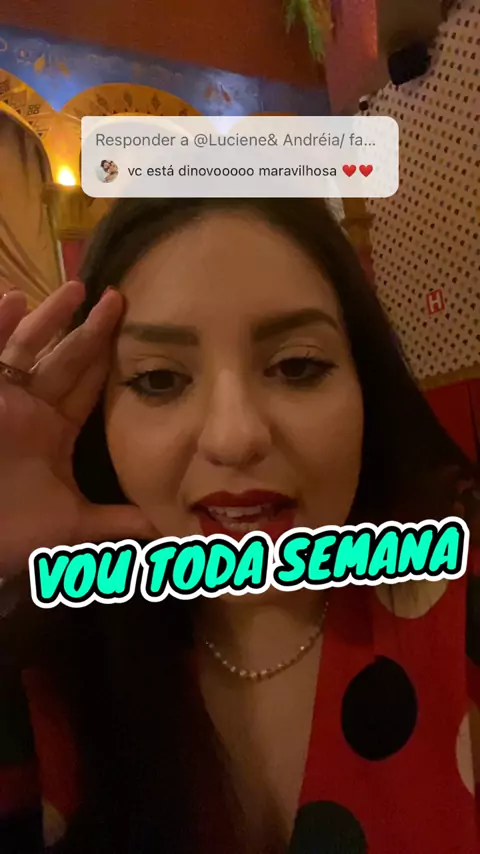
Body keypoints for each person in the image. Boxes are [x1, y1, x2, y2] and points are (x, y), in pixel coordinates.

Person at [0, 198, 479, 854]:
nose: (235, 438)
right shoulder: (40, 676)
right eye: (159, 379)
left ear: (365, 384)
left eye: (297, 366)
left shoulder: (459, 603)